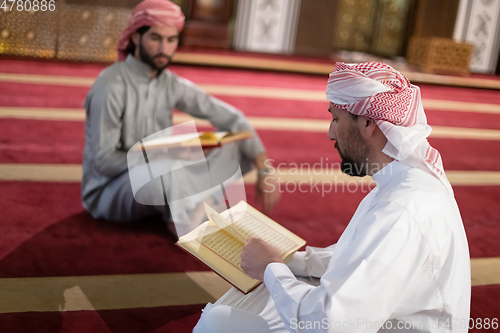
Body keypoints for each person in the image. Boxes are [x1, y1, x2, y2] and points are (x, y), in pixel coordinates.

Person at [193, 62, 471, 333]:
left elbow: (331, 325)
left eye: (336, 119)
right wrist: (287, 261)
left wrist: (270, 267)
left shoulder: (401, 208)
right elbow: (357, 259)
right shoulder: (404, 182)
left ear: (367, 122)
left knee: (216, 324)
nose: (330, 133)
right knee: (254, 295)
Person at [81, 0, 280, 237]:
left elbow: (234, 118)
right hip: (109, 191)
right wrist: (164, 154)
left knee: (237, 145)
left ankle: (192, 207)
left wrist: (265, 169)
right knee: (169, 166)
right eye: (156, 38)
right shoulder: (111, 86)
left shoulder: (170, 83)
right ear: (135, 37)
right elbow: (103, 163)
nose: (164, 48)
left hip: (165, 172)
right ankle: (191, 213)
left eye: (171, 40)